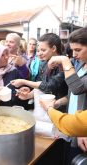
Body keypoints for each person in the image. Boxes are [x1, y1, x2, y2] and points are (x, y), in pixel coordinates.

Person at [47, 27, 87, 163]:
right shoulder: (81, 65)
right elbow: (73, 95)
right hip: (71, 127)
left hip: (81, 131)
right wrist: (60, 102)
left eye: (78, 50)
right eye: (73, 50)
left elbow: (77, 88)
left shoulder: (72, 63)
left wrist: (65, 60)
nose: (74, 54)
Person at [11, 33, 68, 104]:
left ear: (53, 48)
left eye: (43, 50)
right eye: (38, 50)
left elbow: (49, 86)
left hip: (59, 108)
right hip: (44, 106)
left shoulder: (65, 65)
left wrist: (24, 82)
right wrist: (28, 95)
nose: (39, 53)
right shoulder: (45, 62)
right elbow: (41, 85)